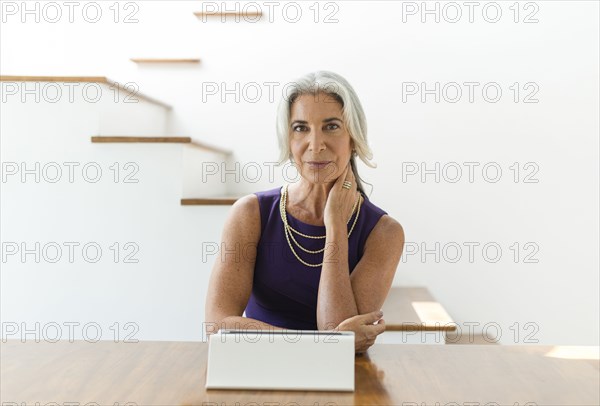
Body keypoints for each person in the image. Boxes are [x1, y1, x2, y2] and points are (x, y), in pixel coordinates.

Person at [205, 71, 405, 354]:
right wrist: (324, 345)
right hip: (258, 369)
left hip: (345, 382)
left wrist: (335, 225)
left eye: (331, 126)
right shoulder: (251, 214)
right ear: (288, 140)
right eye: (300, 128)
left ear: (354, 139)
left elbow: (342, 339)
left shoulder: (384, 233)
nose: (315, 144)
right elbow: (218, 327)